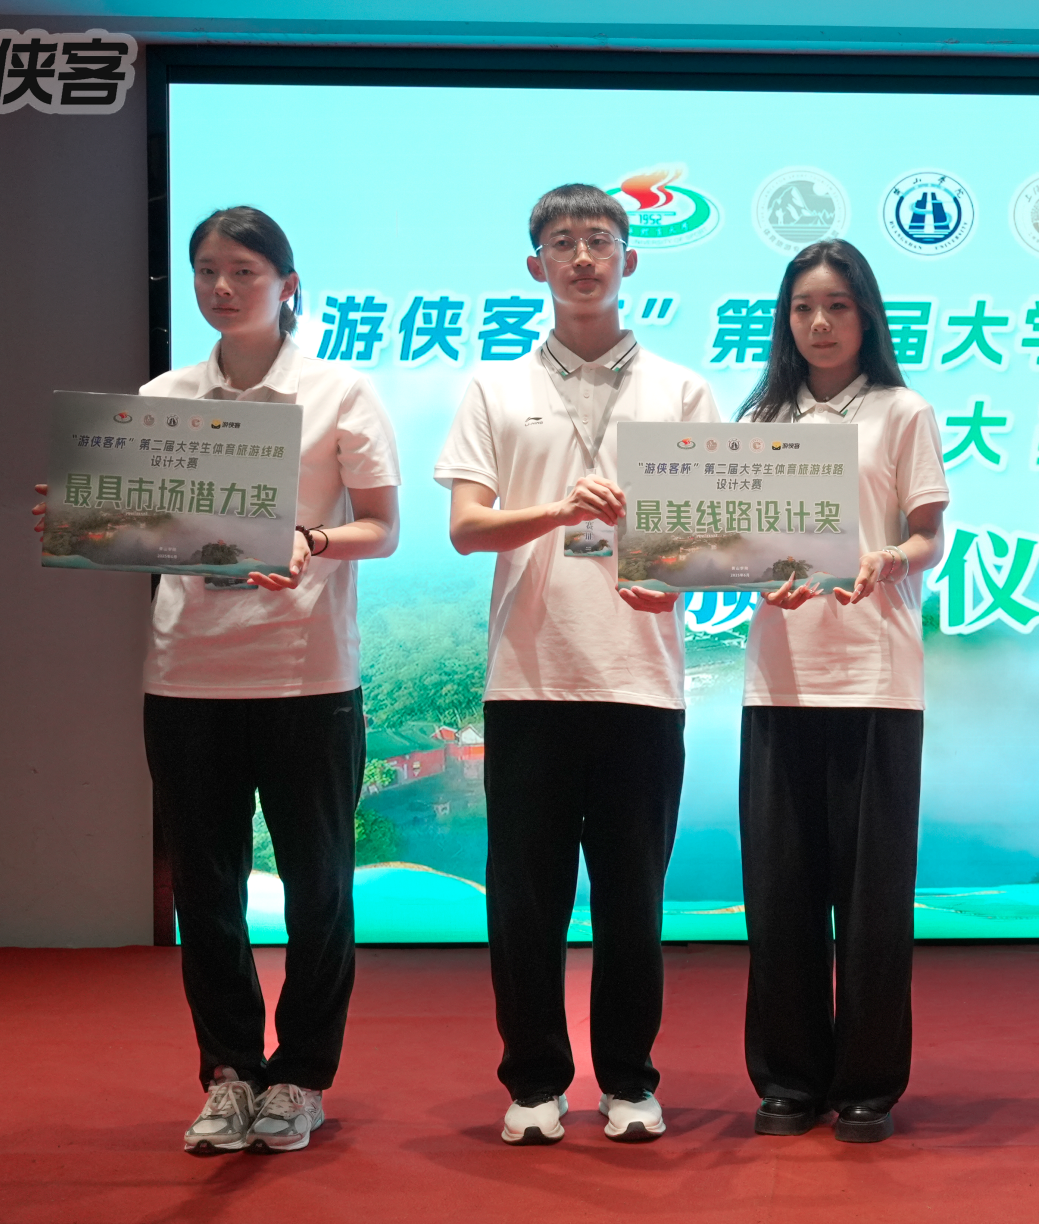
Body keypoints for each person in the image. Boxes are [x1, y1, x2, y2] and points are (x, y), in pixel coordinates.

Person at [35, 205, 402, 1153]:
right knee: (205, 892)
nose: (223, 287)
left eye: (244, 270)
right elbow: (145, 530)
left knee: (319, 888)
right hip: (188, 674)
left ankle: (302, 1077)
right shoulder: (165, 396)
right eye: (206, 270)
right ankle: (232, 1073)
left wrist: (311, 538)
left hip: (306, 675)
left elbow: (382, 527)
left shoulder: (338, 391)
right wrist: (83, 519)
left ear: (289, 285)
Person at [436, 183, 720, 1146]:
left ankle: (631, 1083)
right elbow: (467, 527)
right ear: (536, 266)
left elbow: (707, 542)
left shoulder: (682, 391)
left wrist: (675, 581)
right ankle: (534, 1085)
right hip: (528, 680)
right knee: (527, 903)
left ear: (630, 260)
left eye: (600, 240)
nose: (584, 257)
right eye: (563, 243)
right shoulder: (494, 389)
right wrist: (560, 510)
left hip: (641, 680)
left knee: (633, 902)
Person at [734, 241, 948, 1144]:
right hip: (779, 680)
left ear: (867, 316)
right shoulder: (759, 419)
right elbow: (736, 543)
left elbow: (929, 533)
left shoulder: (903, 410)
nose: (819, 324)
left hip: (876, 678)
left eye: (837, 307)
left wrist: (889, 558)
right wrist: (744, 573)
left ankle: (867, 1083)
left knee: (872, 900)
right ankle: (788, 1079)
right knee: (780, 893)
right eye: (802, 308)